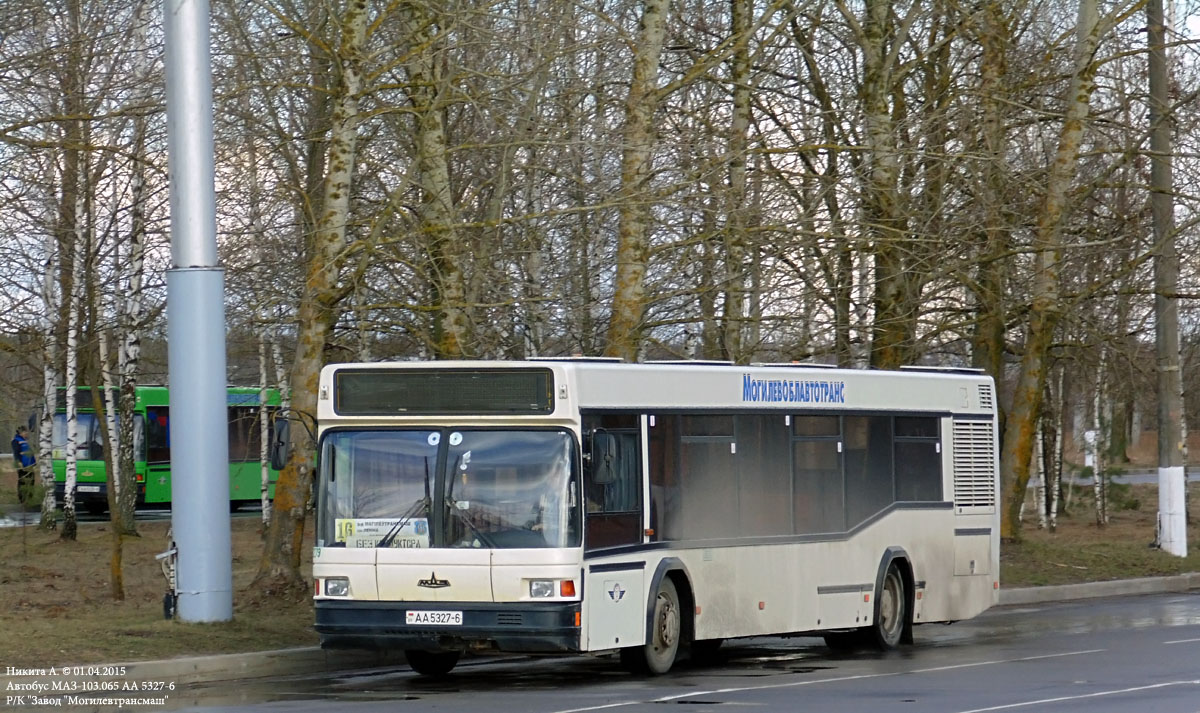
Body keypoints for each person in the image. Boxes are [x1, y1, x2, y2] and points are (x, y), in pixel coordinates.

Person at [11, 425, 36, 506]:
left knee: (31, 481)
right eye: (25, 432)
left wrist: (34, 462)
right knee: (23, 482)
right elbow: (16, 453)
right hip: (23, 466)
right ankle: (22, 499)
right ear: (21, 433)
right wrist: (19, 463)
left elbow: (29, 452)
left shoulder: (24, 441)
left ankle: (30, 499)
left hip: (29, 465)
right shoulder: (16, 441)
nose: (26, 433)